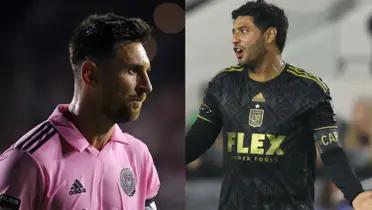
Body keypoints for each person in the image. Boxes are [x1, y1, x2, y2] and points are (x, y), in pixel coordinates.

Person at [186, 1, 372, 209]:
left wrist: (356, 195)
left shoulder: (309, 90)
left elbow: (331, 152)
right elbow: (198, 138)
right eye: (234, 32)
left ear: (270, 35)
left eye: (243, 31)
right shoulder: (223, 84)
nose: (235, 39)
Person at [0, 13, 159, 210]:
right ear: (90, 75)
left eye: (147, 71)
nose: (147, 86)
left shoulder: (138, 154)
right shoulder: (28, 161)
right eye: (132, 71)